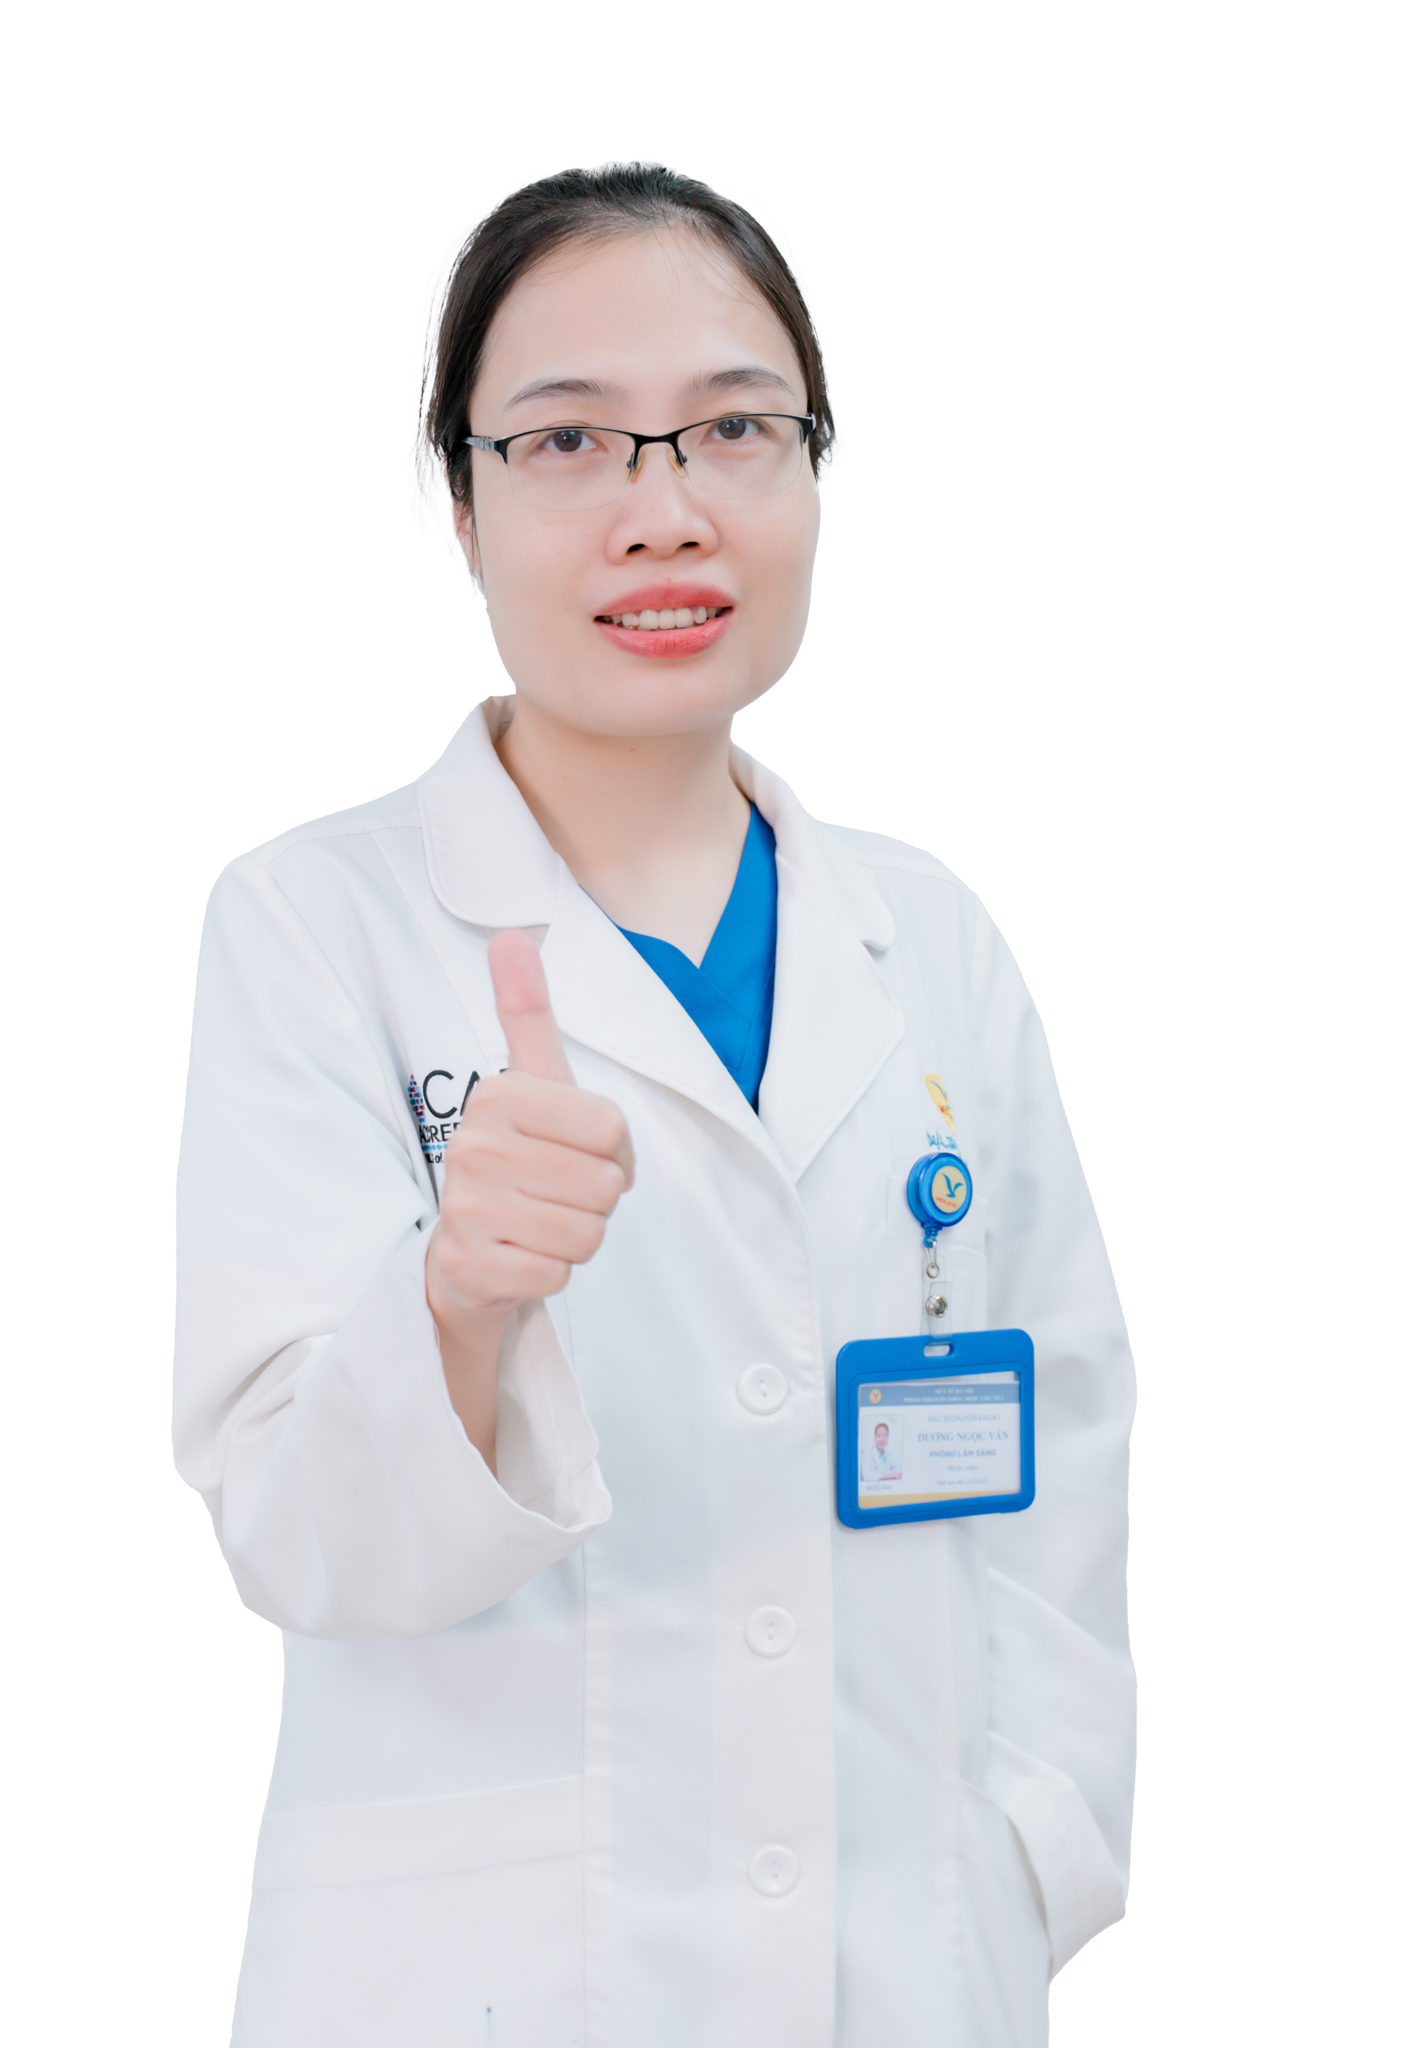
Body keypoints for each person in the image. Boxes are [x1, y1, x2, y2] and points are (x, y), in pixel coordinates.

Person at [172, 149, 1139, 2047]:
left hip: (908, 1966)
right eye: (566, 442)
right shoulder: (311, 919)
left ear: (819, 467)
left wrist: (1030, 1846)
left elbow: (1064, 1445)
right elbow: (292, 1536)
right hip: (494, 1985)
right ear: (450, 502)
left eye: (734, 429)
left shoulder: (926, 931)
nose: (664, 511)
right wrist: (457, 1304)